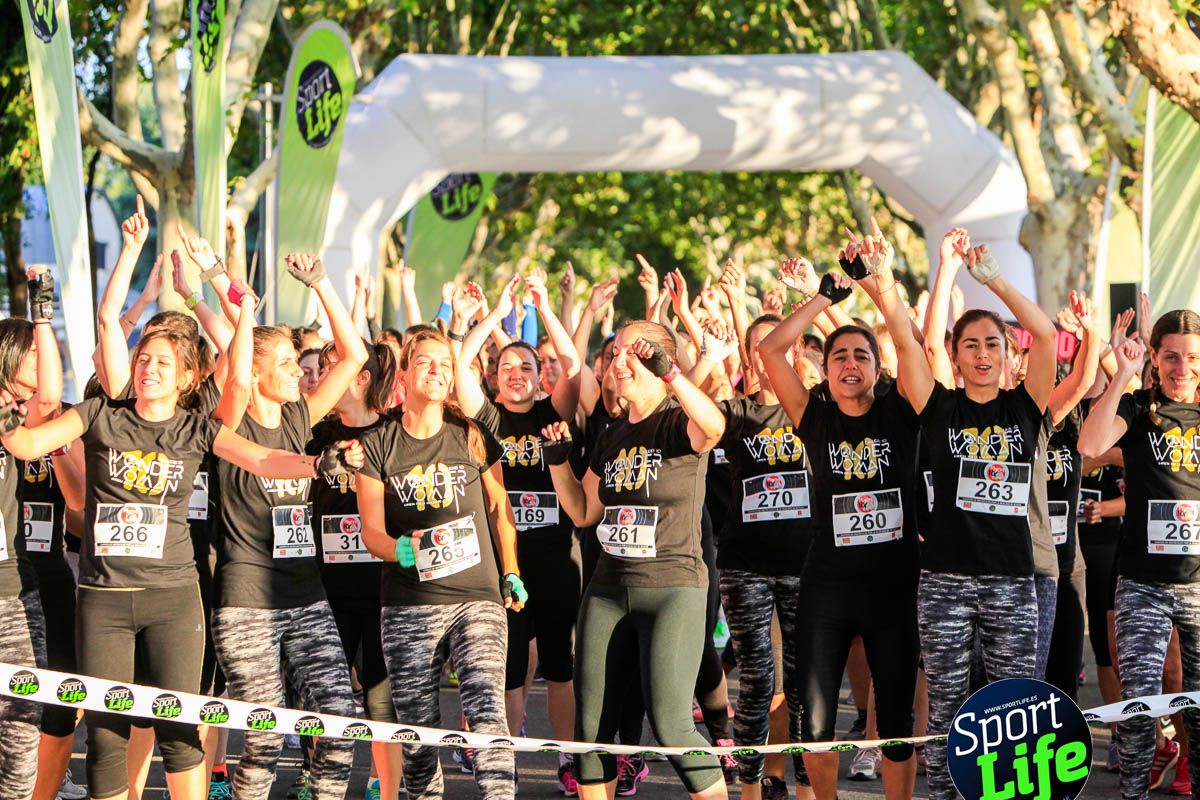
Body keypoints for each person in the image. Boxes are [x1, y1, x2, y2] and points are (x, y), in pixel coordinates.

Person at [759, 225, 924, 800]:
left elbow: (907, 343)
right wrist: (825, 295)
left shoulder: (900, 413)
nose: (850, 363)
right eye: (839, 356)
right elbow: (770, 350)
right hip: (827, 588)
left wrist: (881, 288)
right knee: (818, 722)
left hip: (894, 588)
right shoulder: (813, 416)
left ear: (877, 370)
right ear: (825, 370)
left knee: (896, 723)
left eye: (861, 356)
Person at [542, 320, 729, 800]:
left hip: (673, 587)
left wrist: (673, 377)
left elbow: (713, 427)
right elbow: (584, 511)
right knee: (589, 735)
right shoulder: (612, 433)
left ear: (658, 359)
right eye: (614, 353)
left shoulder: (676, 417)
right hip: (608, 589)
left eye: (632, 352)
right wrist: (559, 460)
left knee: (671, 727)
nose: (617, 362)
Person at [206, 250, 368, 800]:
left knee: (341, 726)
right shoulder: (231, 418)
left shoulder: (300, 416)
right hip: (247, 597)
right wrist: (235, 305)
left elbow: (353, 356)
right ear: (253, 370)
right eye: (285, 365)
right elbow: (263, 459)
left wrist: (322, 283)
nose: (299, 373)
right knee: (265, 736)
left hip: (306, 595)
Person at [911, 237, 1059, 800]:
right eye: (969, 344)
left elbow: (1044, 334)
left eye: (992, 344)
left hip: (1012, 582)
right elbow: (924, 343)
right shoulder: (941, 408)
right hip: (945, 582)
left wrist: (993, 279)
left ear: (1007, 355)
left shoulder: (1025, 407)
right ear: (955, 353)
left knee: (1013, 711)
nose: (980, 354)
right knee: (947, 708)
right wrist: (947, 269)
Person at [356, 328, 523, 800]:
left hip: (477, 597)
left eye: (445, 365)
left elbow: (498, 507)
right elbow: (370, 530)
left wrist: (510, 569)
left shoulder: (472, 436)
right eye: (426, 362)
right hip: (410, 603)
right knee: (419, 730)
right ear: (404, 375)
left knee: (487, 707)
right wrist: (398, 550)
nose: (436, 370)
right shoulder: (376, 445)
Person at [453, 273, 584, 791]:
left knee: (559, 666)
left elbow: (572, 365)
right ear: (495, 376)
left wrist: (544, 305)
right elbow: (462, 365)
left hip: (557, 561)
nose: (516, 374)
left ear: (538, 376)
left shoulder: (555, 412)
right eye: (506, 367)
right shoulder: (485, 419)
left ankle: (567, 758)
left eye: (526, 367)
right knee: (508, 668)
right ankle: (504, 759)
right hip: (504, 562)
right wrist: (495, 315)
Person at [690, 259, 810, 800]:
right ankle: (749, 783)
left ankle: (796, 779)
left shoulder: (813, 411)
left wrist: (810, 298)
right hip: (745, 566)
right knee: (759, 680)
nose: (770, 362)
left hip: (807, 563)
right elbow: (682, 412)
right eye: (761, 354)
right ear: (749, 360)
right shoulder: (733, 413)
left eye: (781, 350)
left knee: (803, 681)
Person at [1079, 309, 1200, 800]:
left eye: (1192, 358)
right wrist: (1123, 374)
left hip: (1198, 584)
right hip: (1142, 586)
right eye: (1170, 357)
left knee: (1197, 707)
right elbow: (1089, 444)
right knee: (1138, 705)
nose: (1182, 369)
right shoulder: (1136, 406)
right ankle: (1132, 793)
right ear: (1155, 356)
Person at [308, 339, 403, 800]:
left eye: (333, 368)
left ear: (360, 378)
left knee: (382, 700)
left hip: (384, 586)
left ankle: (383, 787)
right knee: (324, 694)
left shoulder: (394, 433)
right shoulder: (316, 435)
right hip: (325, 588)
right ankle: (318, 780)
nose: (323, 376)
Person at [0, 264, 65, 798]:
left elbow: (49, 396)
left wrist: (43, 313)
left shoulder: (15, 421)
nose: (43, 365)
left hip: (12, 591)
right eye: (34, 353)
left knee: (23, 718)